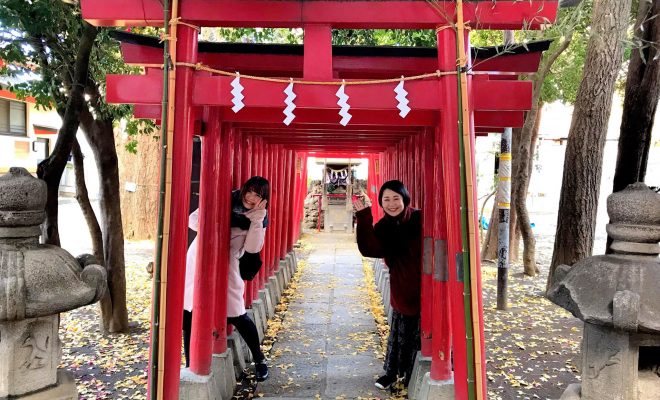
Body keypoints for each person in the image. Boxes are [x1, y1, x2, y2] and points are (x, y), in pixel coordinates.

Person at [183, 176, 270, 382]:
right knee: (190, 310)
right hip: (201, 259)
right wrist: (215, 211)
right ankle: (190, 362)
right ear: (244, 189)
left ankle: (259, 360)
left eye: (257, 195)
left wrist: (257, 220)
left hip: (228, 264)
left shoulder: (259, 217)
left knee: (237, 313)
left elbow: (252, 248)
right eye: (249, 191)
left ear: (263, 199)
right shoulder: (225, 200)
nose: (251, 197)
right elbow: (193, 221)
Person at [353, 180, 422, 391]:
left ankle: (412, 375)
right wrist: (364, 217)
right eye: (386, 200)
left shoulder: (420, 218)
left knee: (423, 334)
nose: (392, 204)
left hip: (429, 285)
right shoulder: (383, 227)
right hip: (403, 286)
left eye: (396, 199)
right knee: (400, 332)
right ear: (381, 204)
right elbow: (369, 249)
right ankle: (392, 373)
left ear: (405, 199)